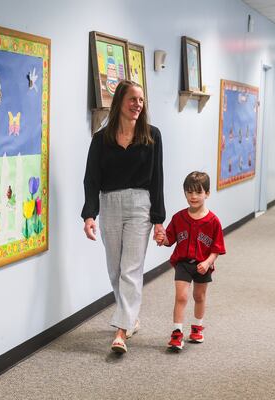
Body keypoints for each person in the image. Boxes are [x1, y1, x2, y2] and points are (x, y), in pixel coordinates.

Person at [82, 80, 165, 354]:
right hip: (110, 203)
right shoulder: (100, 139)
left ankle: (121, 332)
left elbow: (157, 181)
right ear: (119, 102)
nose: (138, 105)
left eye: (141, 100)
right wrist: (89, 214)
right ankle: (130, 319)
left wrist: (158, 219)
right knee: (115, 269)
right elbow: (91, 179)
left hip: (140, 205)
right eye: (133, 99)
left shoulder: (152, 136)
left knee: (131, 268)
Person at [155, 171, 226, 351]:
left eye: (198, 192)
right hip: (183, 263)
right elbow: (169, 240)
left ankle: (197, 327)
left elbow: (217, 248)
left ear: (207, 194)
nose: (193, 196)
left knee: (199, 296)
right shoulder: (179, 218)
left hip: (203, 265)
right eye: (189, 192)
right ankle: (177, 333)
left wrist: (208, 262)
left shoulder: (213, 221)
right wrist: (161, 238)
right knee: (181, 296)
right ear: (185, 193)